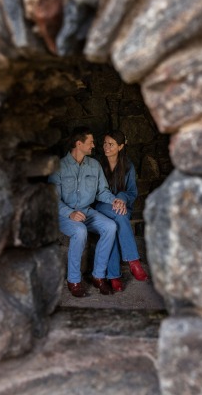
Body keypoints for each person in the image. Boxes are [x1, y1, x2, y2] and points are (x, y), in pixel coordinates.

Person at [48, 126, 127, 297]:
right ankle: (74, 280)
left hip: (87, 211)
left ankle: (98, 276)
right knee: (79, 230)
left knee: (110, 226)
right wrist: (70, 213)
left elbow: (102, 191)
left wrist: (115, 200)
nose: (94, 145)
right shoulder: (58, 167)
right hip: (64, 215)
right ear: (79, 143)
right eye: (90, 142)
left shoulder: (94, 165)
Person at [95, 130, 149, 292]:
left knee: (114, 224)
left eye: (111, 144)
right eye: (104, 143)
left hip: (122, 208)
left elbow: (132, 192)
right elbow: (96, 192)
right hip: (101, 206)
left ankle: (114, 276)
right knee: (119, 215)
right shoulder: (97, 164)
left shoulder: (128, 166)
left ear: (120, 146)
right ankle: (134, 261)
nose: (106, 147)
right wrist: (114, 200)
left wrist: (121, 198)